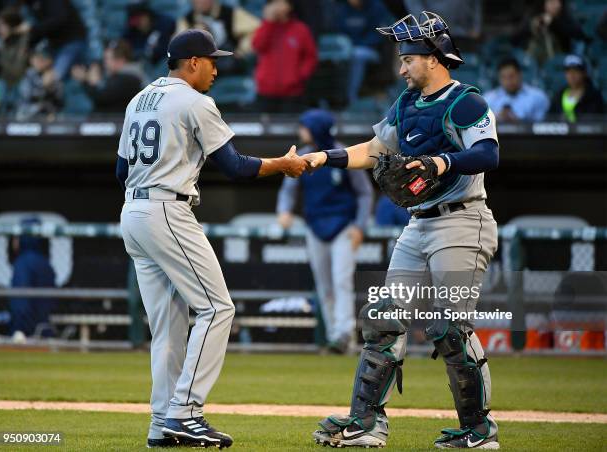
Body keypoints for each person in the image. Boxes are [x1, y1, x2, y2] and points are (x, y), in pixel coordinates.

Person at [304, 11, 500, 449]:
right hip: (420, 223)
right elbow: (375, 151)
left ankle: (478, 430)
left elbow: (487, 154)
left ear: (432, 57)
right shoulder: (405, 104)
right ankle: (367, 423)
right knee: (384, 320)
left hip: (462, 218)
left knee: (450, 328)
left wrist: (442, 160)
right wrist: (325, 157)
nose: (401, 67)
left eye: (408, 58)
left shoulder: (466, 100)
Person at [116, 29, 307, 449]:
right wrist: (283, 164)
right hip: (167, 209)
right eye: (212, 61)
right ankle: (185, 412)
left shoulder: (138, 99)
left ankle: (162, 422)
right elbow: (235, 167)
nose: (217, 69)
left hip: (133, 210)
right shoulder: (196, 101)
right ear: (193, 63)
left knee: (168, 326)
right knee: (218, 308)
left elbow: (120, 171)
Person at [277, 109, 373, 354]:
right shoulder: (300, 155)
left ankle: (344, 336)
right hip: (315, 227)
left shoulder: (342, 155)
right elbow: (289, 188)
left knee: (341, 282)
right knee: (324, 284)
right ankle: (333, 336)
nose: (301, 131)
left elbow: (364, 193)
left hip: (343, 227)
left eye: (306, 127)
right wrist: (284, 210)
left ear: (317, 129)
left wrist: (359, 226)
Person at [252, 0, 317, 113]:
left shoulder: (300, 29)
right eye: (274, 3)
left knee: (290, 128)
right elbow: (257, 46)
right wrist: (269, 22)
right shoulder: (265, 27)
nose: (277, 6)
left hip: (292, 93)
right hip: (266, 91)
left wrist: (299, 76)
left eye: (281, 2)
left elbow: (310, 57)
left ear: (289, 6)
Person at [336, 0, 393, 104]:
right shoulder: (343, 8)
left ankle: (351, 97)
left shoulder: (376, 7)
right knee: (341, 57)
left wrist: (357, 44)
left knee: (357, 55)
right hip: (348, 48)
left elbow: (381, 33)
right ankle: (337, 97)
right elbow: (339, 31)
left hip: (372, 49)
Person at [8, 217, 56, 343]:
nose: (14, 241)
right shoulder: (46, 263)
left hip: (27, 335)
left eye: (17, 237)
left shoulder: (23, 263)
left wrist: (19, 330)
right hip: (44, 330)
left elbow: (21, 303)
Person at [71, 39, 145, 115]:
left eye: (107, 59)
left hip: (120, 123)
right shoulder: (117, 76)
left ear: (120, 60)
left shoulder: (130, 78)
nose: (104, 63)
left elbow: (103, 99)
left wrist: (87, 82)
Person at [25, 0, 87, 79]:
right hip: (54, 46)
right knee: (33, 74)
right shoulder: (30, 4)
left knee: (54, 78)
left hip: (73, 41)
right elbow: (40, 32)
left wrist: (33, 29)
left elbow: (60, 18)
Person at [514, 0, 585, 65]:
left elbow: (578, 34)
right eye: (550, 2)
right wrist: (534, 26)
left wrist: (553, 23)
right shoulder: (535, 14)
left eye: (555, 2)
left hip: (560, 58)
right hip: (535, 58)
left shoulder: (565, 16)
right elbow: (517, 37)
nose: (553, 5)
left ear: (560, 4)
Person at [484, 57, 550, 122]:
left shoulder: (538, 97)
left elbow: (541, 126)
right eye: (503, 77)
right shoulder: (488, 99)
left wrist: (519, 122)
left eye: (511, 76)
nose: (508, 81)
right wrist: (497, 119)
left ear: (520, 75)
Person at [548, 54, 604, 123]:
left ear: (585, 73)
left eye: (576, 70)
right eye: (568, 71)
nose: (572, 75)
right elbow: (550, 118)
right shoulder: (559, 94)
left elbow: (595, 121)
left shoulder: (594, 95)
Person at [15, 41, 63, 120]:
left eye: (42, 58)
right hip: (29, 114)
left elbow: (59, 102)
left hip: (50, 116)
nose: (38, 61)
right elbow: (25, 97)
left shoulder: (55, 75)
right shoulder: (28, 75)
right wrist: (43, 87)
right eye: (35, 57)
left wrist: (50, 87)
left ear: (50, 60)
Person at [0, 7, 30, 117]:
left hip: (21, 85)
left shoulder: (23, 40)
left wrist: (2, 50)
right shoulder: (2, 41)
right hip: (4, 85)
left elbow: (18, 71)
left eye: (2, 25)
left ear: (12, 26)